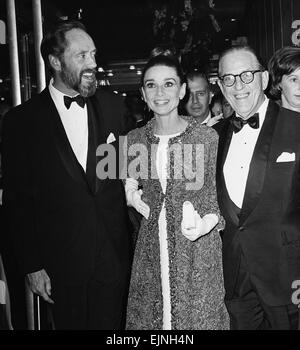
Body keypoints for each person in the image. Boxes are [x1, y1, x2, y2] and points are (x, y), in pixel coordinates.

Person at [2, 20, 131, 330]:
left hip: (113, 261)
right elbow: (17, 203)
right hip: (60, 265)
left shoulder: (115, 108)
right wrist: (32, 266)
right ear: (55, 62)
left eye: (94, 55)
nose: (93, 64)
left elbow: (127, 178)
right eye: (82, 55)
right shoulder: (21, 122)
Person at [124, 54, 229, 330]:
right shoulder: (135, 139)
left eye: (168, 84)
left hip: (195, 254)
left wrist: (208, 222)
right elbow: (129, 178)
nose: (160, 93)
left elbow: (216, 200)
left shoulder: (206, 138)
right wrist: (130, 190)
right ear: (143, 93)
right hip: (150, 251)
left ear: (182, 90)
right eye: (151, 85)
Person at [216, 45, 300, 329]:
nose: (238, 86)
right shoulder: (214, 136)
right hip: (238, 281)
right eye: (229, 78)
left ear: (264, 79)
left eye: (247, 76)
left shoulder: (297, 126)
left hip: (288, 279)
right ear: (220, 85)